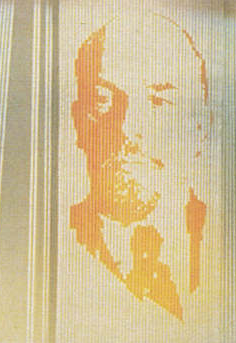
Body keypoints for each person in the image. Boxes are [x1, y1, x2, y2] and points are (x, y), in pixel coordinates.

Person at [68, 11, 210, 320]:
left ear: (201, 128)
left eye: (158, 101)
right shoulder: (63, 241)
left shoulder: (225, 242)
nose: (128, 130)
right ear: (79, 122)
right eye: (103, 100)